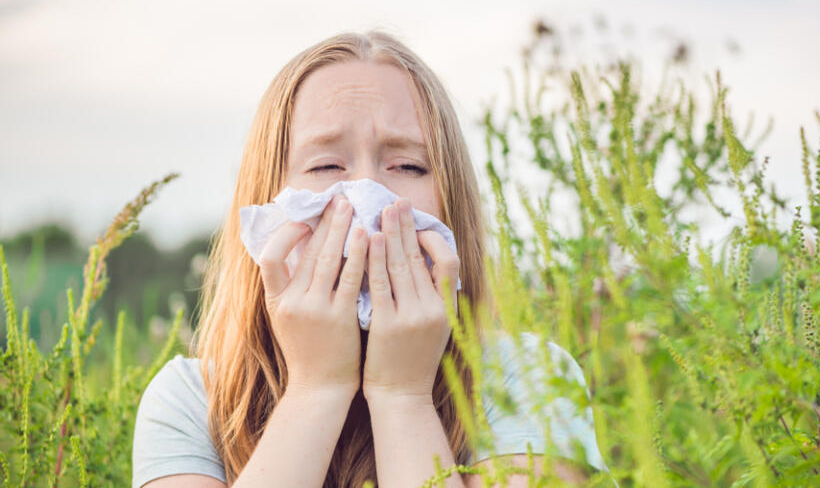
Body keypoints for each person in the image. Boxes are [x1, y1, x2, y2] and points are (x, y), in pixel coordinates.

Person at [131, 30, 610, 487]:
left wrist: (403, 395)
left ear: (451, 201)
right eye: (325, 165)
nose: (369, 191)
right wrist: (315, 388)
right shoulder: (192, 400)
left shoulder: (525, 376)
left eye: (407, 165)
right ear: (267, 199)